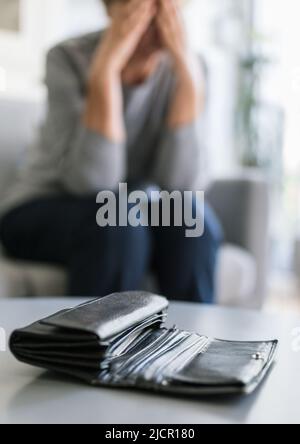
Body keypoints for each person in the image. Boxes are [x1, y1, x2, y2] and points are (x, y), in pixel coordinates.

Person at [0, 0, 223, 302]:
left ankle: (188, 346)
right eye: (142, 7)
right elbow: (91, 184)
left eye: (167, 9)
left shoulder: (191, 68)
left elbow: (181, 187)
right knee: (117, 218)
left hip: (132, 211)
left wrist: (188, 78)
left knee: (192, 221)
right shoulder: (68, 58)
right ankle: (95, 347)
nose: (156, 21)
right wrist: (105, 70)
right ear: (110, 8)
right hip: (43, 205)